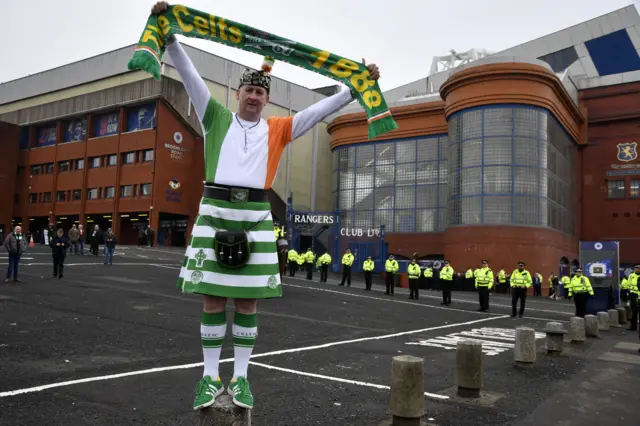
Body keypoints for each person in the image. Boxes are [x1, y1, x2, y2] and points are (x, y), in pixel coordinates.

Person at [152, 0, 382, 411]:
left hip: (256, 215)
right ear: (237, 94)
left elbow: (321, 108)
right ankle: (208, 377)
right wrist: (169, 37)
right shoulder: (215, 116)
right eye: (249, 91)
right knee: (211, 299)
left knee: (247, 302)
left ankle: (240, 378)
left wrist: (355, 86)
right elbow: (188, 76)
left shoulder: (279, 129)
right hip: (215, 210)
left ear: (266, 99)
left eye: (261, 92)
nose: (254, 97)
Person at [626, 265, 639, 332]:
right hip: (633, 295)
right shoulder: (631, 276)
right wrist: (628, 293)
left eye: (639, 268)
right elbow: (628, 285)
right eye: (636, 268)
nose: (637, 269)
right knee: (633, 311)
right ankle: (633, 326)